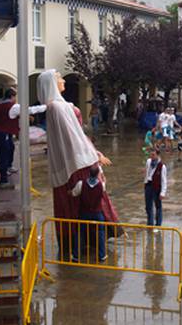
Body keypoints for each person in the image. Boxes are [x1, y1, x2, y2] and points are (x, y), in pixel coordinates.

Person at [37, 69, 121, 248]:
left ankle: (86, 242)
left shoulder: (58, 106)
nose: (63, 80)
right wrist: (94, 156)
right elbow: (74, 138)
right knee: (86, 201)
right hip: (76, 164)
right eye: (59, 78)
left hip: (75, 160)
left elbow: (77, 135)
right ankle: (86, 243)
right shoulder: (58, 107)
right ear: (52, 83)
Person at [0, 88, 46, 187]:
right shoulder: (14, 106)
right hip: (2, 134)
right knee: (3, 156)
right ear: (13, 96)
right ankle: (3, 180)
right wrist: (46, 106)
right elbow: (31, 109)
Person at [70, 164, 107, 262]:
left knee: (79, 233)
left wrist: (69, 192)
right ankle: (102, 255)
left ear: (88, 173)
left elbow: (74, 193)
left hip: (84, 212)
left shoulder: (81, 184)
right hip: (97, 212)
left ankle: (76, 256)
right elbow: (104, 188)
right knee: (101, 233)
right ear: (97, 174)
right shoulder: (101, 185)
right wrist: (104, 179)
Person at [144, 149, 167, 227]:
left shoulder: (162, 166)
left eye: (153, 155)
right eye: (151, 155)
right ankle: (150, 223)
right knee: (148, 206)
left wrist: (163, 192)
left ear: (158, 155)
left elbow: (164, 180)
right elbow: (146, 172)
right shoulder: (148, 162)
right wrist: (145, 182)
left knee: (158, 206)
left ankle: (158, 224)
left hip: (157, 187)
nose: (152, 156)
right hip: (148, 185)